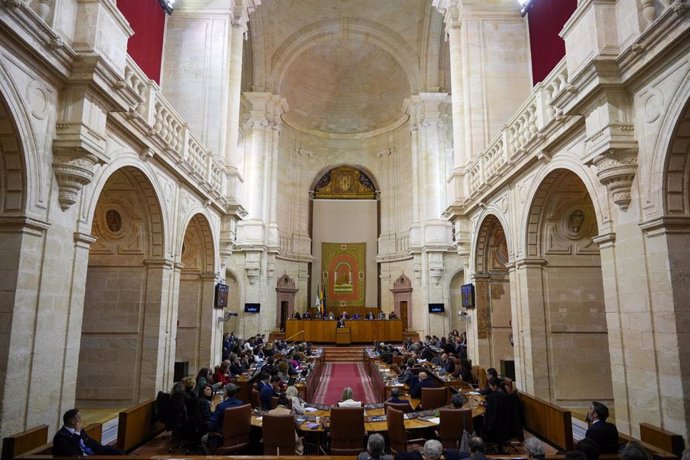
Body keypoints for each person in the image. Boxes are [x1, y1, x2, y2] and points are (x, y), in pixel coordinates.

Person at [53, 409, 123, 456]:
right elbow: (71, 451)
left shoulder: (79, 429)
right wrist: (77, 432)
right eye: (79, 418)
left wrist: (101, 448)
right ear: (73, 421)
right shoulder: (60, 436)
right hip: (81, 456)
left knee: (111, 450)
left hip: (91, 452)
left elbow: (89, 440)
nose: (81, 420)